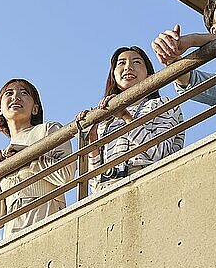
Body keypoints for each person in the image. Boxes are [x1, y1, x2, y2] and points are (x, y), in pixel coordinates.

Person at [76, 46, 185, 193]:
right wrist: (93, 138)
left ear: (148, 73)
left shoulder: (162, 104)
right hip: (108, 190)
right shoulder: (103, 118)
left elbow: (160, 153)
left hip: (149, 182)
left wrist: (126, 117)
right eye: (121, 63)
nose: (128, 67)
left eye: (136, 62)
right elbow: (95, 182)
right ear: (113, 75)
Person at [0, 78, 76, 239]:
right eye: (9, 93)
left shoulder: (48, 130)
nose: (16, 97)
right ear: (0, 109)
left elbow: (66, 175)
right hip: (12, 233)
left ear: (35, 109)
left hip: (47, 220)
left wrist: (27, 156)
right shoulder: (3, 155)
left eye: (24, 93)